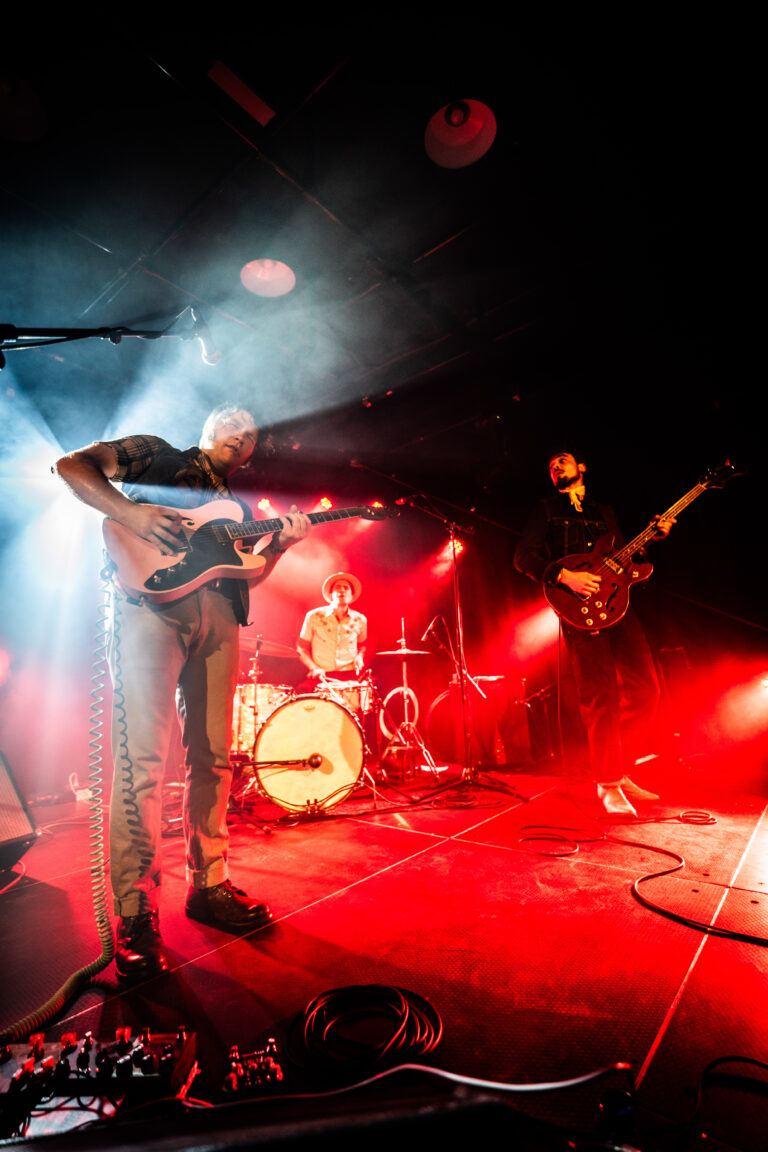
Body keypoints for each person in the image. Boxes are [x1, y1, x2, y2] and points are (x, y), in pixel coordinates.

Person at [54, 405, 310, 982]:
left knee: (214, 758)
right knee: (141, 762)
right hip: (149, 609)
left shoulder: (239, 510)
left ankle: (210, 884)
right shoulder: (158, 452)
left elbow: (249, 574)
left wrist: (281, 547)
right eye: (236, 422)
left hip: (221, 619)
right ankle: (136, 912)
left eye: (253, 434)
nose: (244, 435)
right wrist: (133, 516)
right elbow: (72, 466)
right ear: (211, 427)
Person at [514, 449, 674, 817]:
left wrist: (653, 537)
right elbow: (524, 557)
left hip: (618, 606)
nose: (556, 466)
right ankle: (608, 783)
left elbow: (622, 558)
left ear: (581, 468)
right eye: (551, 464)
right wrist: (564, 575)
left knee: (646, 689)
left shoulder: (605, 512)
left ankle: (619, 767)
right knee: (599, 695)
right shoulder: (546, 509)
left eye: (563, 460)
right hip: (580, 612)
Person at [296, 573, 367, 687]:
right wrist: (314, 668)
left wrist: (360, 656)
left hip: (349, 675)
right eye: (337, 587)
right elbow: (301, 648)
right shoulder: (313, 616)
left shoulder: (360, 619)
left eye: (346, 587)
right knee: (301, 694)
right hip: (322, 674)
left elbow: (363, 645)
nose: (342, 590)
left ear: (351, 595)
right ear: (331, 594)